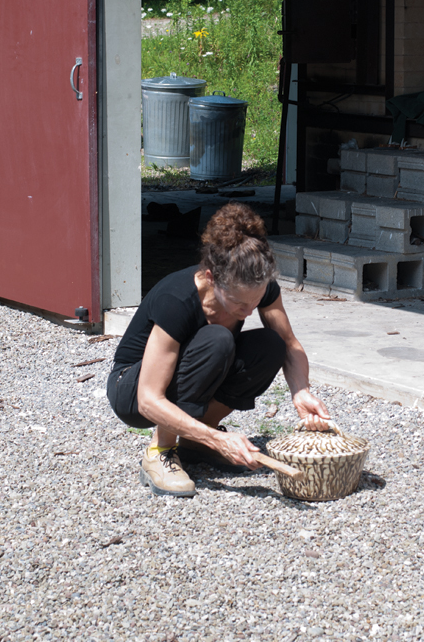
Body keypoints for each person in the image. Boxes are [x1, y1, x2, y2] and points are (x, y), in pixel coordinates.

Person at [107, 202, 329, 497]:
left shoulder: (254, 288)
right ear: (211, 278)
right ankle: (160, 451)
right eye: (239, 303)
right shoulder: (177, 300)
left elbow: (289, 345)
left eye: (256, 301)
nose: (249, 311)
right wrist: (218, 440)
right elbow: (148, 400)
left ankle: (195, 440)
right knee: (217, 340)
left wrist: (300, 390)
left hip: (176, 377)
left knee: (270, 345)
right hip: (132, 389)